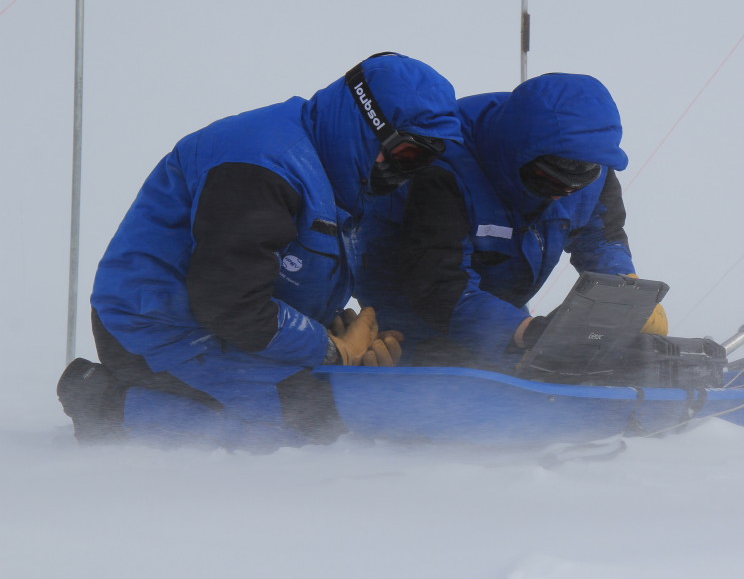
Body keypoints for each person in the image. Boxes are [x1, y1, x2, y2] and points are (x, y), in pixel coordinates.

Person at [57, 52, 463, 448]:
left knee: (346, 404)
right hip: (152, 328)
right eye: (409, 153)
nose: (409, 169)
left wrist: (334, 333)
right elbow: (228, 300)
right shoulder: (261, 165)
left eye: (426, 159)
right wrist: (330, 350)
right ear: (368, 124)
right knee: (301, 426)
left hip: (226, 326)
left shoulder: (346, 172)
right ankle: (104, 403)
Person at [354, 72, 667, 372]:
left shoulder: (591, 163)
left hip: (502, 320)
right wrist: (526, 333)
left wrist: (623, 292)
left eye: (573, 187)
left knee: (523, 387)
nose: (561, 196)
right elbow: (437, 279)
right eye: (549, 183)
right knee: (435, 406)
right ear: (518, 154)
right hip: (406, 322)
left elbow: (600, 237)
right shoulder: (444, 165)